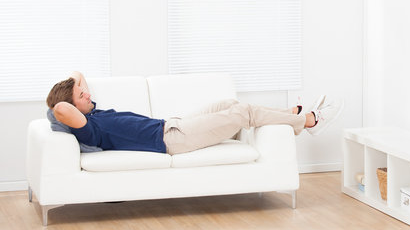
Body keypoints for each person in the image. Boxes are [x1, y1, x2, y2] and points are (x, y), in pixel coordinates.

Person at [46, 72, 344, 155]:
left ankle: (289, 113)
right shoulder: (88, 127)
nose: (87, 93)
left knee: (229, 103)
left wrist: (71, 88)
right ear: (72, 108)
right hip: (173, 141)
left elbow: (77, 74)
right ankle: (306, 121)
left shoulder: (92, 111)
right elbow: (60, 109)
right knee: (242, 113)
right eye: (81, 96)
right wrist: (63, 101)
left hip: (174, 124)